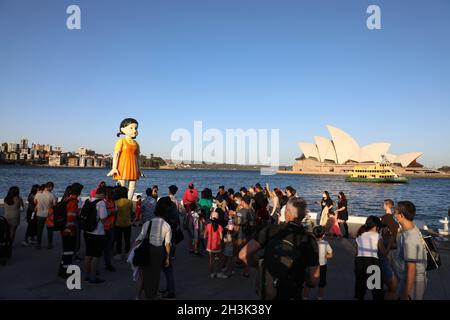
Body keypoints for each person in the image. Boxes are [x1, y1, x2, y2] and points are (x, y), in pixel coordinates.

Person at [239, 197, 320, 300]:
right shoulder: (309, 239)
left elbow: (242, 254)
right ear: (304, 215)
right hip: (292, 293)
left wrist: (260, 265)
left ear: (287, 213)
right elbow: (314, 280)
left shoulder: (271, 230)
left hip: (267, 291)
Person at [135, 198, 172, 299]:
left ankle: (148, 294)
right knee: (156, 274)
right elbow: (167, 244)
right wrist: (168, 257)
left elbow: (139, 239)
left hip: (147, 250)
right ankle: (153, 294)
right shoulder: (166, 226)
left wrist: (135, 251)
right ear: (165, 213)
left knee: (146, 274)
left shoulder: (148, 223)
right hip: (159, 250)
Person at [392, 201, 428, 300]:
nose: (394, 215)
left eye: (395, 212)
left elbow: (412, 268)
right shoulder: (412, 228)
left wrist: (406, 293)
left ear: (401, 215)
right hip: (406, 280)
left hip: (413, 283)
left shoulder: (410, 238)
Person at [354, 216, 391, 300]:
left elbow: (356, 252)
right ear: (376, 227)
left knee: (360, 290)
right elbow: (384, 253)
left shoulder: (360, 236)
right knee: (377, 291)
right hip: (373, 262)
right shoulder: (377, 236)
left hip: (359, 262)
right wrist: (389, 242)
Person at [107, 118, 143, 200]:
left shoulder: (136, 144)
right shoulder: (121, 141)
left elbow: (137, 157)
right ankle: (120, 201)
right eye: (131, 128)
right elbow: (116, 155)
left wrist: (138, 169)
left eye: (136, 128)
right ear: (122, 129)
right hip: (122, 166)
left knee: (132, 186)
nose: (134, 130)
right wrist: (114, 168)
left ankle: (128, 201)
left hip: (133, 166)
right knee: (121, 185)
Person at [58, 183, 83, 278]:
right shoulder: (73, 202)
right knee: (69, 251)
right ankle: (66, 272)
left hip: (63, 229)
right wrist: (72, 231)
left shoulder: (66, 199)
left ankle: (62, 269)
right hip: (68, 230)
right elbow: (70, 217)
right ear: (79, 192)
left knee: (66, 251)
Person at [84, 187, 108, 284]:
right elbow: (103, 218)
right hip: (97, 233)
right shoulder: (101, 203)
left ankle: (86, 275)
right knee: (95, 256)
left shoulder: (88, 200)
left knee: (88, 254)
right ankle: (93, 277)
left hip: (87, 232)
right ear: (102, 194)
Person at [303, 226, 333, 300]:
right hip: (322, 266)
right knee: (322, 283)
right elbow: (331, 255)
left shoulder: (310, 243)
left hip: (310, 264)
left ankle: (305, 297)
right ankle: (319, 297)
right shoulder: (325, 243)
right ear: (323, 235)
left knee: (308, 282)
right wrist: (324, 255)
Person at [380, 199, 399, 299]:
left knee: (385, 267)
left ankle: (388, 287)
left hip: (386, 245)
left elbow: (381, 231)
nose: (383, 206)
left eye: (383, 204)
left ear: (387, 206)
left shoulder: (384, 218)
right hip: (393, 244)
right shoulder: (393, 218)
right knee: (392, 267)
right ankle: (392, 285)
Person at [234, 195, 254, 278]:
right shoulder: (252, 211)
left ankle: (242, 268)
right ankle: (246, 270)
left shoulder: (240, 212)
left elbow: (237, 224)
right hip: (250, 235)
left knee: (238, 251)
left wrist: (234, 234)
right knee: (247, 253)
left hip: (241, 235)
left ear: (243, 202)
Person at [34, 182, 57, 249]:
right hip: (49, 215)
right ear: (50, 187)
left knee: (39, 230)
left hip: (39, 214)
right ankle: (49, 244)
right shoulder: (52, 195)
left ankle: (38, 244)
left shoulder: (38, 194)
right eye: (52, 187)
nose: (52, 189)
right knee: (49, 230)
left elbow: (35, 202)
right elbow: (54, 205)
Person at [204, 211, 225, 279]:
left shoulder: (208, 225)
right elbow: (221, 237)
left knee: (211, 260)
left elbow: (205, 236)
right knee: (218, 260)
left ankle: (211, 273)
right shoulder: (219, 226)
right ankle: (218, 273)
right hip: (217, 246)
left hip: (210, 246)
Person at [114, 187, 133, 260]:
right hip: (127, 223)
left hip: (118, 223)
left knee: (118, 239)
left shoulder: (116, 202)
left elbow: (115, 213)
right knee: (127, 239)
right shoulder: (129, 202)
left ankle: (119, 254)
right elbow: (131, 212)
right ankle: (127, 254)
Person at [103, 186, 117, 272]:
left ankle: (108, 264)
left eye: (112, 193)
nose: (111, 195)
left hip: (111, 227)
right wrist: (111, 213)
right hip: (103, 228)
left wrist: (114, 223)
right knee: (103, 248)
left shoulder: (112, 202)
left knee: (108, 247)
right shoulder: (103, 203)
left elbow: (115, 214)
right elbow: (102, 216)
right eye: (110, 193)